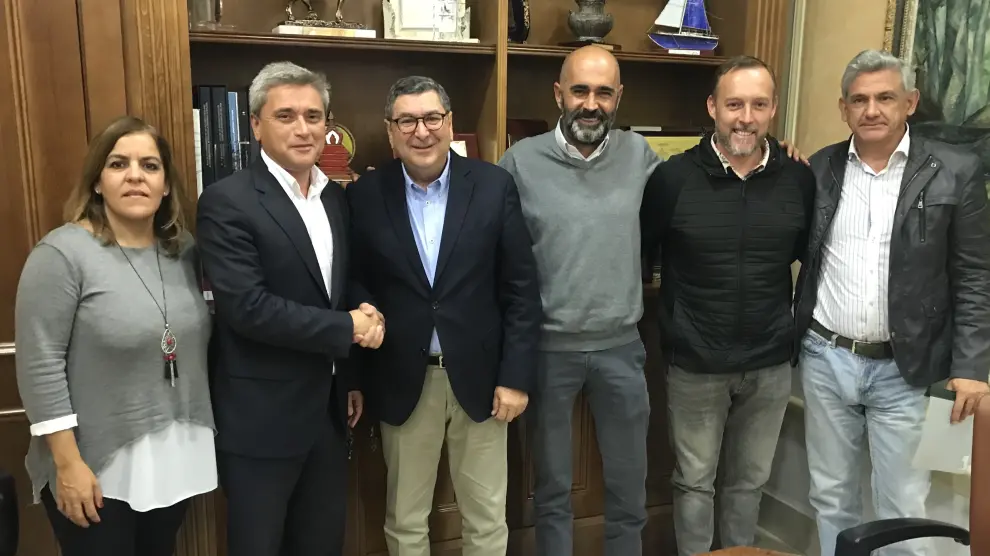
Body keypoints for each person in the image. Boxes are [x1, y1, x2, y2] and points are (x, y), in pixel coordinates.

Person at [794, 49, 990, 556]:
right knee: (830, 497)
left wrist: (972, 366)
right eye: (859, 100)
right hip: (826, 359)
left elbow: (975, 274)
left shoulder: (955, 171)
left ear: (911, 102)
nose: (872, 110)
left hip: (908, 369)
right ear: (843, 108)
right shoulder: (819, 168)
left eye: (885, 97)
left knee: (902, 505)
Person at [347, 75, 542, 556]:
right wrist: (364, 314)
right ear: (390, 131)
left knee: (486, 519)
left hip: (483, 381)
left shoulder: (493, 186)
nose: (422, 131)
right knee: (405, 520)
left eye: (432, 118)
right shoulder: (364, 195)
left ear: (450, 123)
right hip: (402, 378)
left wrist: (516, 377)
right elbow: (352, 279)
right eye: (407, 121)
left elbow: (521, 289)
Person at [195, 61, 383, 556]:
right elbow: (248, 308)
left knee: (322, 545)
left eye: (313, 116)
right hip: (261, 422)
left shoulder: (334, 197)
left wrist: (355, 354)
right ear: (256, 125)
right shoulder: (226, 201)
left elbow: (336, 287)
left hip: (328, 414)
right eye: (286, 116)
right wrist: (347, 326)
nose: (303, 129)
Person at [14, 115, 216, 556]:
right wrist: (67, 464)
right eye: (118, 164)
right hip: (94, 463)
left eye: (150, 166)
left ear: (166, 185)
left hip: (173, 454)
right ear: (97, 182)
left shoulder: (184, 251)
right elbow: (40, 365)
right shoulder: (61, 254)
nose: (135, 176)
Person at [640, 56, 815, 556]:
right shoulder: (672, 179)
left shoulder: (798, 179)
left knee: (748, 482)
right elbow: (642, 253)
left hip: (769, 363)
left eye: (759, 105)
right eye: (734, 104)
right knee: (695, 482)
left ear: (773, 110)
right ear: (712, 107)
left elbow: (809, 256)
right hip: (695, 363)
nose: (746, 117)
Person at [497, 45, 657, 556]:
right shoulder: (520, 162)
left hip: (621, 348)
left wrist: (775, 152)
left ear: (618, 97)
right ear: (558, 94)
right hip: (547, 351)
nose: (591, 104)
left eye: (603, 93)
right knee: (551, 489)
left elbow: (693, 195)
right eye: (580, 91)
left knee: (629, 487)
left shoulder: (640, 155)